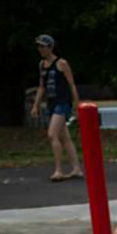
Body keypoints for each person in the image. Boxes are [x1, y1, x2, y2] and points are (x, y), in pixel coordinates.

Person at [29, 34, 83, 182]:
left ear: (50, 47)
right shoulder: (42, 65)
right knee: (64, 137)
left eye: (43, 46)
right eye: (38, 46)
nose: (40, 49)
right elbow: (42, 86)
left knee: (52, 134)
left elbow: (71, 84)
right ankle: (76, 167)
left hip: (62, 102)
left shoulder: (61, 63)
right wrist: (36, 105)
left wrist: (77, 105)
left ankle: (58, 169)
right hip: (51, 102)